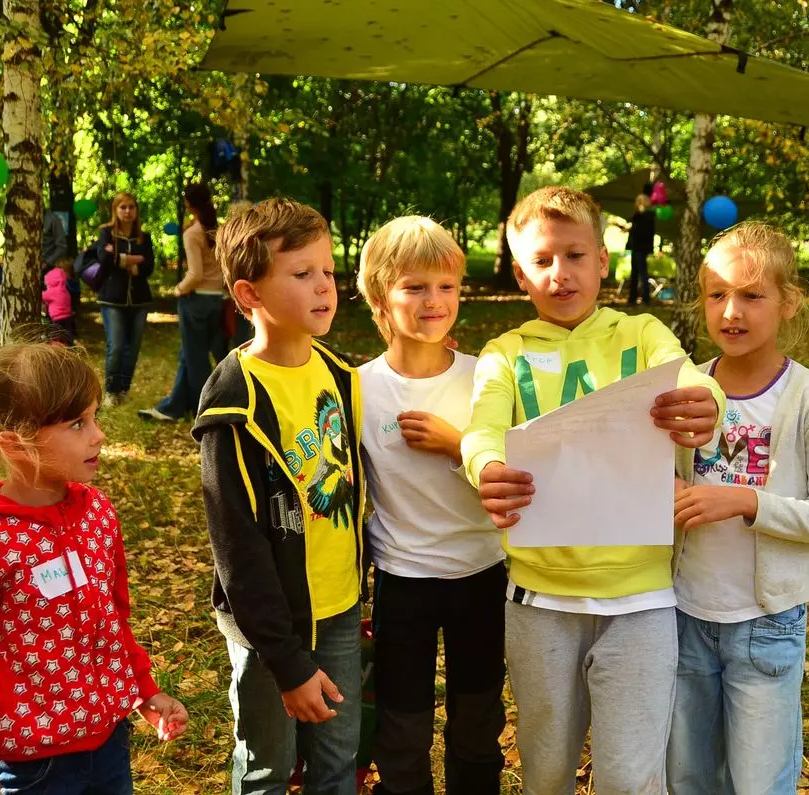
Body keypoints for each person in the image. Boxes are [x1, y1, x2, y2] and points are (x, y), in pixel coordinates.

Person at [460, 186, 726, 795]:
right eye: (542, 261)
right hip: (539, 604)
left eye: (575, 255)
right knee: (545, 773)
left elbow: (692, 379)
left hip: (641, 602)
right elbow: (482, 432)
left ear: (603, 259)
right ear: (520, 273)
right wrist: (486, 469)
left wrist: (704, 404)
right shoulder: (505, 354)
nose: (561, 274)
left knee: (630, 778)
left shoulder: (640, 335)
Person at [0, 343, 188, 795]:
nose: (99, 435)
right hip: (32, 768)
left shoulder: (98, 514)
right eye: (77, 424)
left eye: (95, 416)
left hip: (108, 746)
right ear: (13, 443)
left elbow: (112, 621)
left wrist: (143, 689)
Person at [666, 222, 809, 795]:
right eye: (717, 294)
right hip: (681, 618)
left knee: (758, 783)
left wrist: (747, 501)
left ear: (789, 302)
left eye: (752, 295)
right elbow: (655, 481)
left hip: (767, 626)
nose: (731, 311)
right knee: (688, 778)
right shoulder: (685, 385)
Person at [191, 198, 365, 795]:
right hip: (270, 628)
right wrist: (287, 662)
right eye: (302, 274)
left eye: (328, 272)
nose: (324, 287)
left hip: (339, 607)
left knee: (339, 762)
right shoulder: (232, 402)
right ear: (248, 295)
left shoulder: (341, 374)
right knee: (267, 768)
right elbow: (237, 550)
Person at [356, 217, 506, 795]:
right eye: (414, 287)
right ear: (379, 297)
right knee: (402, 730)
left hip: (481, 574)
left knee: (476, 726)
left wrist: (458, 444)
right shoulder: (357, 388)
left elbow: (515, 472)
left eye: (446, 287)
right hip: (403, 580)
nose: (434, 301)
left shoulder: (488, 378)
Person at [139, 183, 224, 421]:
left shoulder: (193, 233)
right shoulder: (219, 230)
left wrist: (178, 289)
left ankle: (205, 410)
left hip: (196, 301)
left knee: (195, 358)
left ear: (188, 204)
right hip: (216, 300)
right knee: (189, 355)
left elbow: (195, 274)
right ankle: (174, 407)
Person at [95, 192, 155, 407]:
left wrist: (120, 259)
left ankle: (124, 390)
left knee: (133, 347)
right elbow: (103, 258)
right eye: (123, 207)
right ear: (116, 210)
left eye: (131, 207)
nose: (127, 211)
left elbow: (149, 266)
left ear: (136, 210)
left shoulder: (144, 237)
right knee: (117, 346)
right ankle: (111, 391)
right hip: (113, 299)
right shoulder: (106, 233)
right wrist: (132, 259)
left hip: (139, 300)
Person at [624, 192, 656, 306]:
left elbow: (644, 233)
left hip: (640, 248)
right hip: (636, 247)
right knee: (635, 273)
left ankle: (645, 298)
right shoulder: (638, 215)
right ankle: (632, 298)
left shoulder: (646, 216)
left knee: (642, 274)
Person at [42, 261, 76, 345]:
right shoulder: (64, 290)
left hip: (57, 318)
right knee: (68, 334)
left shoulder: (51, 292)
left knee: (56, 336)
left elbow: (41, 296)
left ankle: (57, 349)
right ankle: (69, 346)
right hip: (68, 316)